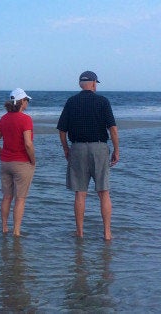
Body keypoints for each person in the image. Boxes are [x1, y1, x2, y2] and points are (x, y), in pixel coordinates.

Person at [56, 71, 119, 240]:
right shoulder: (102, 101)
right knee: (104, 192)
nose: (96, 86)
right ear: (92, 84)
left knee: (80, 193)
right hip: (99, 147)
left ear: (80, 84)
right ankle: (107, 233)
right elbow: (112, 129)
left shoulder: (71, 102)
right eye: (96, 83)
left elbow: (62, 130)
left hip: (77, 148)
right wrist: (117, 150)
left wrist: (66, 149)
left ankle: (80, 232)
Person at [0, 88, 36, 237]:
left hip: (6, 163)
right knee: (20, 198)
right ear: (22, 102)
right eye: (26, 100)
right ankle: (16, 231)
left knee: (7, 196)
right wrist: (33, 160)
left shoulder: (4, 118)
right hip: (22, 163)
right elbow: (28, 144)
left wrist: (3, 153)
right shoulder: (25, 119)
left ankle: (4, 227)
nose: (27, 103)